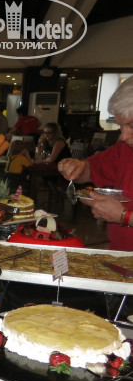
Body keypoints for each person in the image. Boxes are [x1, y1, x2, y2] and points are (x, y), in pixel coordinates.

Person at [58, 76, 133, 251]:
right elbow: (91, 169)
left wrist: (124, 216)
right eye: (120, 126)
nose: (123, 136)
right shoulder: (125, 149)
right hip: (121, 258)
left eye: (131, 126)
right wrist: (77, 167)